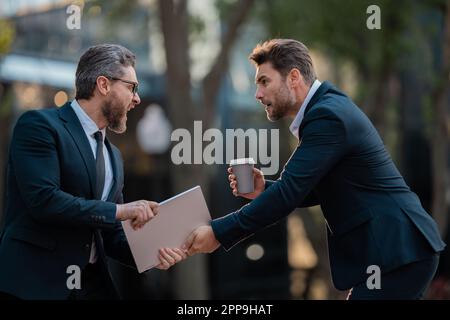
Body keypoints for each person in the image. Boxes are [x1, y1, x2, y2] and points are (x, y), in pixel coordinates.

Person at [184, 39, 446, 299]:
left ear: (294, 77)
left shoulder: (326, 117)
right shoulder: (326, 108)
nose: (258, 94)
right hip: (398, 253)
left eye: (264, 81)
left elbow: (288, 195)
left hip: (398, 252)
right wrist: (265, 188)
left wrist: (218, 233)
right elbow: (317, 188)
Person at [0, 44, 185, 300]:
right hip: (35, 285)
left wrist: (153, 253)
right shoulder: (39, 126)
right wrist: (121, 211)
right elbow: (44, 201)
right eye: (132, 87)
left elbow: (108, 234)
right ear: (103, 85)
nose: (137, 99)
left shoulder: (114, 157)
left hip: (90, 288)